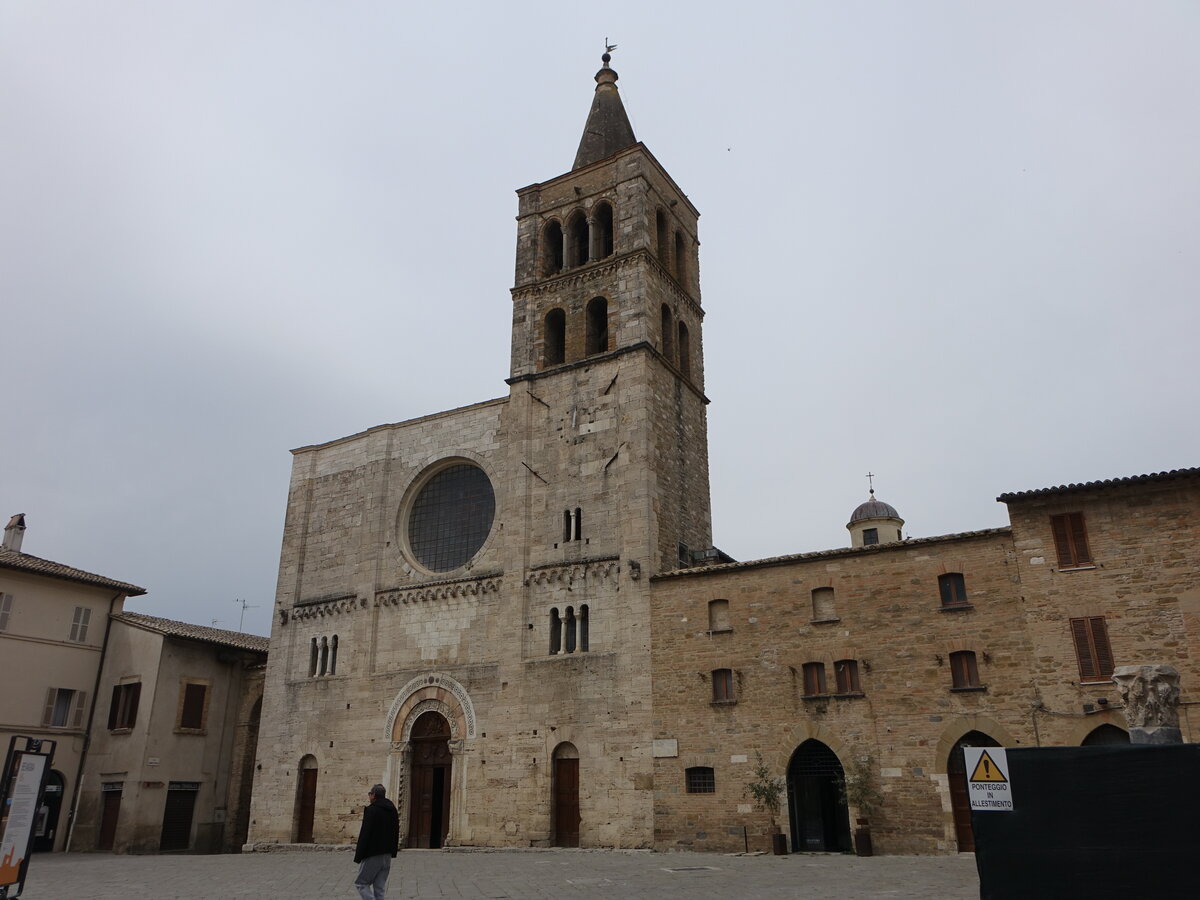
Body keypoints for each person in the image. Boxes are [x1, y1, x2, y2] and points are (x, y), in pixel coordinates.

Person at [353, 783, 399, 900]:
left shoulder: (372, 810)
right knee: (379, 887)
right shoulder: (392, 810)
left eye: (370, 794)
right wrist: (393, 851)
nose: (369, 796)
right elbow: (395, 831)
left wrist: (359, 855)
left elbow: (365, 833)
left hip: (373, 853)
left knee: (361, 883)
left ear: (373, 795)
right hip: (387, 854)